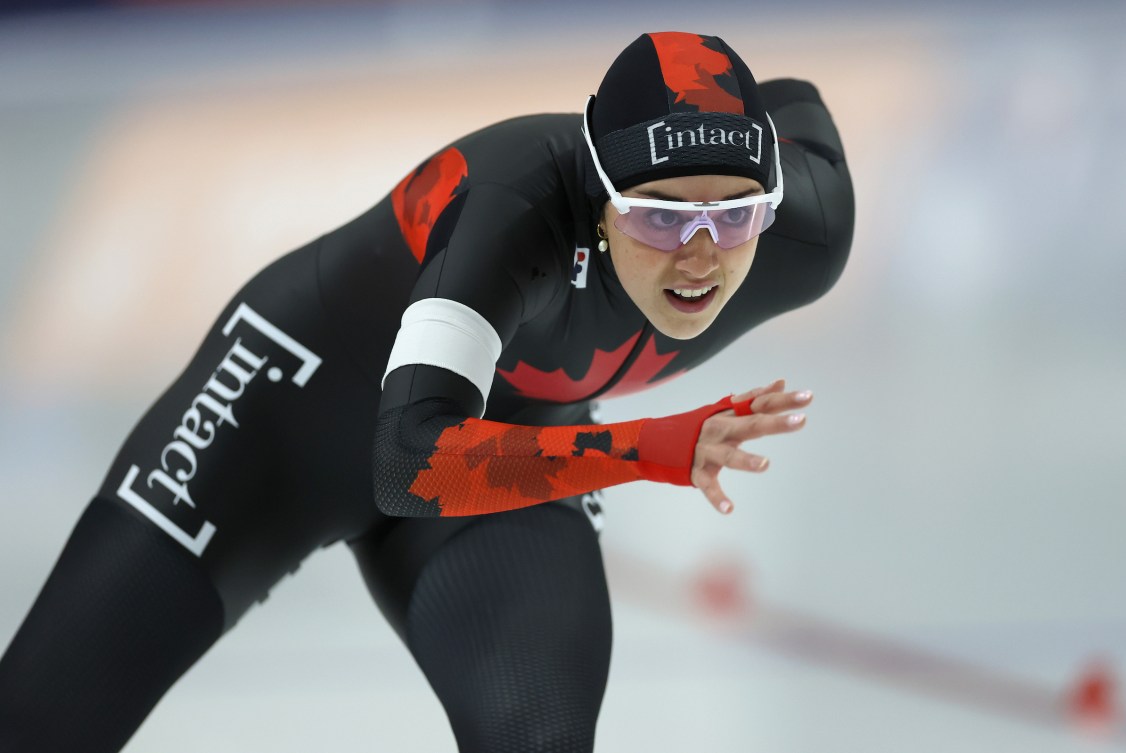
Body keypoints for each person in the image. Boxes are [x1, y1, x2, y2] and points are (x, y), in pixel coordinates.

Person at [0, 30, 853, 753]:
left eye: (735, 214)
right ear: (597, 199)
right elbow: (409, 463)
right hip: (283, 417)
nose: (701, 256)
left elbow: (795, 99)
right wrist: (643, 448)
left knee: (538, 736)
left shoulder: (806, 232)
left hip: (501, 450)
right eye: (660, 216)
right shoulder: (512, 210)